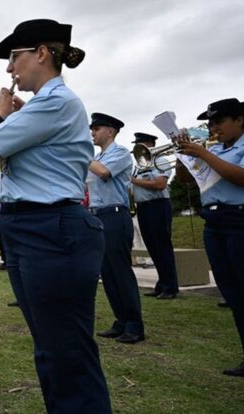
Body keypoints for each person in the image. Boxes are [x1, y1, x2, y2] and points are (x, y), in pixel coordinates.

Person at [0, 19, 111, 413]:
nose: (9, 68)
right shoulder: (44, 105)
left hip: (50, 229)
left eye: (15, 57)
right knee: (52, 349)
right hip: (36, 228)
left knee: (67, 351)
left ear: (42, 53)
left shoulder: (56, 102)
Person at [178, 98, 244, 377]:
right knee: (233, 293)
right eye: (210, 124)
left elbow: (243, 178)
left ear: (239, 120)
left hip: (242, 219)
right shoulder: (214, 149)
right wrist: (184, 156)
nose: (213, 128)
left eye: (219, 122)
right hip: (214, 221)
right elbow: (186, 179)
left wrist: (204, 153)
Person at [88, 113, 145, 344]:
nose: (92, 133)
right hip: (98, 216)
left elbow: (103, 173)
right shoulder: (97, 156)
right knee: (108, 273)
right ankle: (121, 320)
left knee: (120, 271)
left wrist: (80, 154)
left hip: (114, 214)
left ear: (110, 131)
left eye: (97, 129)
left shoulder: (120, 153)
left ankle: (134, 324)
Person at [131, 132, 179, 299]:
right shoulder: (138, 165)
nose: (137, 149)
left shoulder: (160, 161)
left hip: (158, 206)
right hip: (144, 207)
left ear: (150, 145)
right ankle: (162, 283)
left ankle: (170, 287)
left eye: (141, 145)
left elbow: (160, 184)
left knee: (162, 247)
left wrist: (134, 181)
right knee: (153, 248)